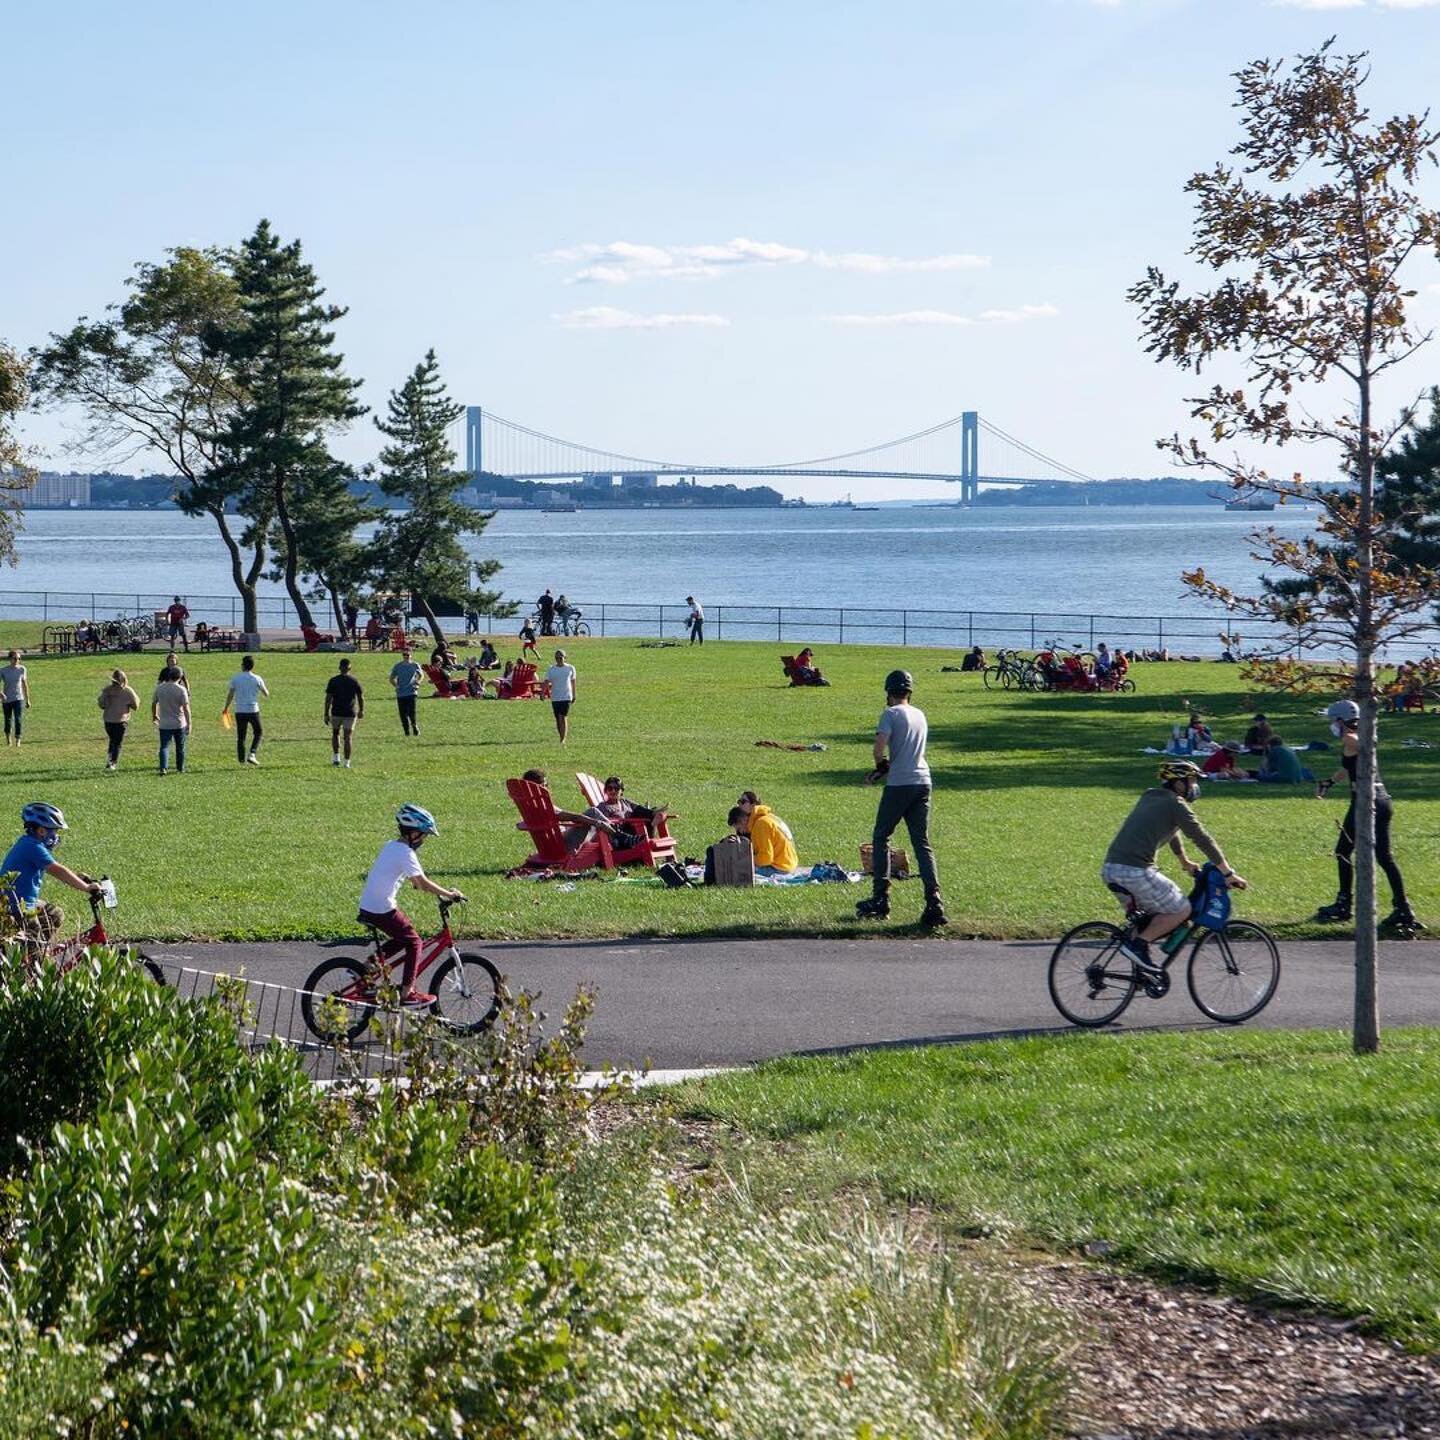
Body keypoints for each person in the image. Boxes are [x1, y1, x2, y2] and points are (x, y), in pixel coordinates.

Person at [1102, 760, 1247, 969]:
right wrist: (1228, 873)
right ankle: (1138, 946)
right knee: (1181, 910)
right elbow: (1202, 838)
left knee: (1147, 920)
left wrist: (1184, 861)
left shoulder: (1150, 796)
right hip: (1134, 871)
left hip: (1111, 869)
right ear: (1178, 783)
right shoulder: (1176, 804)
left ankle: (1139, 972)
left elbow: (1171, 830)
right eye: (1192, 780)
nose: (1194, 785)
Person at [1315, 700, 1422, 931]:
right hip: (1382, 799)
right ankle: (1403, 909)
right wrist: (1330, 782)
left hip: (1366, 802)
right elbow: (1349, 767)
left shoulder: (1350, 738)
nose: (1331, 725)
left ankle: (1344, 904)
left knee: (1343, 851)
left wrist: (1357, 736)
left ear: (1341, 720)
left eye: (1333, 721)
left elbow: (1363, 745)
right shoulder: (1355, 737)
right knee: (1384, 857)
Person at [856, 669, 945, 928]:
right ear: (909, 691)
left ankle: (880, 898)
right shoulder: (920, 714)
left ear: (889, 692)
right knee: (922, 842)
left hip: (900, 784)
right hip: (923, 782)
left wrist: (880, 765)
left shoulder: (890, 714)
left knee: (881, 836)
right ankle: (934, 900)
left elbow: (879, 747)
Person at [357, 804, 466, 1007]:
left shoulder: (391, 846)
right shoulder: (406, 853)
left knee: (402, 939)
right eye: (423, 835)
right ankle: (408, 992)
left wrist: (417, 884)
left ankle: (366, 968)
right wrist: (450, 894)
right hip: (381, 908)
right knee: (414, 942)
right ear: (413, 833)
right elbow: (422, 882)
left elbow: (406, 878)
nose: (424, 840)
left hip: (369, 905)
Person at [1, 803, 103, 941]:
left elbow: (54, 868)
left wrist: (78, 878)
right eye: (54, 831)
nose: (56, 836)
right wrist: (86, 887)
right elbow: (57, 870)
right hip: (14, 904)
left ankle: (38, 952)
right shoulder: (32, 847)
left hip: (23, 901)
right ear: (42, 831)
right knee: (34, 934)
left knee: (55, 914)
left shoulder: (30, 843)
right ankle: (31, 959)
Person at [585, 776, 672, 843]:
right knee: (640, 815)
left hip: (635, 831)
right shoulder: (602, 807)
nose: (613, 791)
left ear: (621, 791)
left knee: (641, 811)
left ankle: (653, 814)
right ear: (606, 791)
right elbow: (604, 824)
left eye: (616, 788)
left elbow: (638, 808)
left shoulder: (625, 801)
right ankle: (652, 821)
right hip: (622, 836)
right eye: (610, 788)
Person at [734, 791, 798, 874]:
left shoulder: (761, 824)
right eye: (739, 802)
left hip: (780, 868)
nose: (739, 805)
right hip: (787, 863)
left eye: (743, 802)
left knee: (738, 871)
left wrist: (747, 860)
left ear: (753, 805)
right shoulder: (766, 818)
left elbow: (765, 859)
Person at [222, 654, 269, 765]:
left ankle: (241, 760)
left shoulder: (236, 678)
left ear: (243, 665)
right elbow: (266, 693)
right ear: (253, 666)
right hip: (253, 710)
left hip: (240, 710)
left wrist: (226, 708)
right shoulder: (257, 678)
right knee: (258, 732)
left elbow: (230, 694)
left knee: (241, 736)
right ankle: (252, 753)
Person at [325, 657, 364, 768]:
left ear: (339, 668)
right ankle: (347, 762)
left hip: (336, 712)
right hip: (350, 713)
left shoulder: (333, 681)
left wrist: (326, 713)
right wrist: (361, 710)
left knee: (335, 733)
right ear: (350, 668)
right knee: (348, 737)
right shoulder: (354, 681)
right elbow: (360, 697)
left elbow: (328, 699)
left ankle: (336, 758)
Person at [98, 668, 140, 771]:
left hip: (109, 720)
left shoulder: (107, 690)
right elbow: (136, 706)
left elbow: (101, 704)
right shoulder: (127, 691)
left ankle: (110, 761)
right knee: (117, 743)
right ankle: (112, 763)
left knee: (113, 741)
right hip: (120, 721)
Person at [152, 665, 191, 775]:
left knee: (164, 746)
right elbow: (186, 708)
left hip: (164, 723)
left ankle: (163, 768)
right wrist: (189, 723)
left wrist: (154, 715)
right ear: (180, 677)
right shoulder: (181, 689)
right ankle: (180, 768)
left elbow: (154, 703)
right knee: (180, 747)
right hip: (179, 723)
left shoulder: (160, 688)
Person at [389, 647, 423, 737]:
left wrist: (417, 682)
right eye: (404, 655)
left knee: (412, 712)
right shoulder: (398, 666)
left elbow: (421, 675)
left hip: (412, 692)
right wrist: (396, 686)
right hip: (401, 693)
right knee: (403, 714)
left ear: (411, 655)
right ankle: (406, 732)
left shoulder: (415, 665)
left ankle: (414, 726)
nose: (406, 656)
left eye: (407, 655)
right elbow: (391, 678)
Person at [546, 648, 577, 743]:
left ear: (564, 658)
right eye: (557, 658)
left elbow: (573, 682)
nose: (559, 659)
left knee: (562, 717)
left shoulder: (570, 668)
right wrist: (543, 693)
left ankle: (563, 739)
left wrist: (574, 695)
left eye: (560, 657)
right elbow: (546, 681)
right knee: (557, 719)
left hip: (566, 696)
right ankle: (561, 735)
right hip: (555, 697)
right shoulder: (551, 669)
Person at [0, 648, 29, 747]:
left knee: (18, 719)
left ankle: (18, 739)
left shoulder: (22, 669)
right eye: (15, 658)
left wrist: (27, 699)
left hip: (18, 698)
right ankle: (8, 739)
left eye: (19, 658)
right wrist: (1, 694)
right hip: (6, 699)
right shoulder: (3, 670)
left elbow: (25, 684)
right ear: (10, 659)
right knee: (8, 720)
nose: (17, 660)